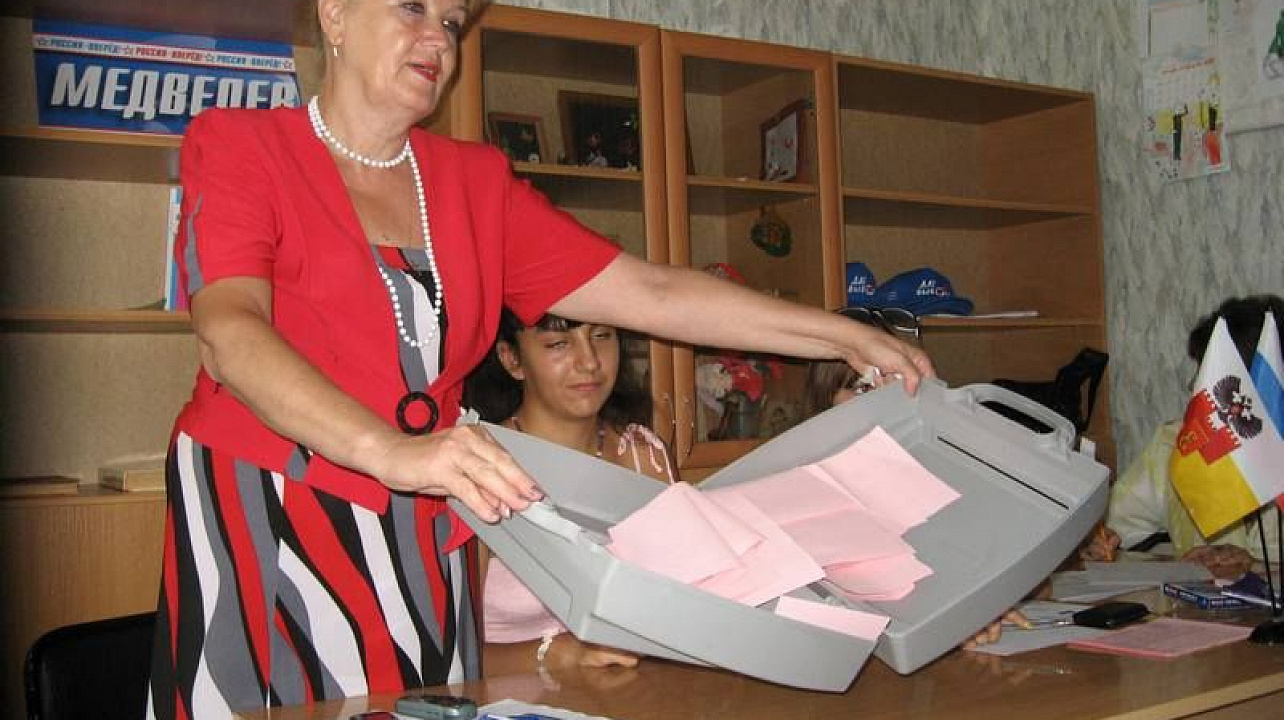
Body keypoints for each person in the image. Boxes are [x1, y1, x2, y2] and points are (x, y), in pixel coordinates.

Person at [148, 0, 931, 716]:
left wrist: (845, 336)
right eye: (413, 7)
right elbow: (230, 332)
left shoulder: (472, 182)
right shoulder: (244, 146)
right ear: (335, 14)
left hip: (425, 512)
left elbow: (652, 292)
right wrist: (389, 451)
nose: (437, 39)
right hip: (272, 503)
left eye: (452, 22)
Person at [465, 309, 675, 669]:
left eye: (602, 336)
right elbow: (449, 658)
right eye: (558, 343)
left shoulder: (644, 455)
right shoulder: (478, 468)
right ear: (512, 359)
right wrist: (562, 653)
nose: (589, 362)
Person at [1085, 295, 1284, 580]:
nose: (1193, 385)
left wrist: (1255, 566)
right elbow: (1115, 528)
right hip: (1197, 605)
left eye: (1210, 374)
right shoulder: (1179, 443)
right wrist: (1097, 541)